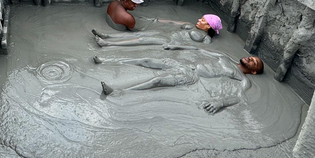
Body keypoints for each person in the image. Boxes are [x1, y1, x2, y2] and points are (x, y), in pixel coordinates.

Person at [94, 51, 264, 114]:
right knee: (147, 60)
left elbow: (240, 96)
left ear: (254, 71)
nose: (250, 58)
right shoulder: (225, 57)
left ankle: (117, 91)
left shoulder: (241, 78)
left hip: (191, 77)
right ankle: (107, 61)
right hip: (185, 65)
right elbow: (199, 50)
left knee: (158, 80)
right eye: (251, 57)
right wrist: (178, 46)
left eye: (253, 62)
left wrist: (220, 101)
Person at [93, 13, 222, 46]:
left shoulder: (206, 38)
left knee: (141, 40)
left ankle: (108, 44)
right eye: (200, 18)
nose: (199, 20)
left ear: (209, 26)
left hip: (169, 40)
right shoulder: (190, 24)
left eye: (203, 21)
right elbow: (172, 22)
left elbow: (200, 51)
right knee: (140, 34)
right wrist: (155, 20)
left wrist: (177, 47)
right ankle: (107, 35)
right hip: (165, 33)